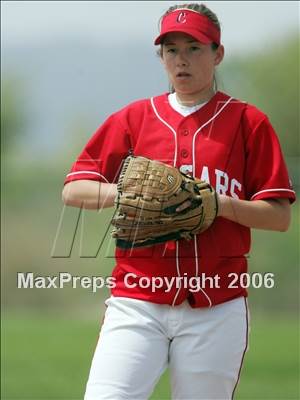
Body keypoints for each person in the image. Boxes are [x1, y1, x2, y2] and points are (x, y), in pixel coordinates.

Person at [62, 3, 296, 399]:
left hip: (217, 305)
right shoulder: (134, 119)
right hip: (137, 300)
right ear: (161, 56)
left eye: (194, 48)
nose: (181, 60)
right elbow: (74, 189)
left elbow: (279, 216)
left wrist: (220, 205)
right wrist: (129, 193)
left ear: (217, 54)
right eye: (171, 49)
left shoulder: (246, 122)